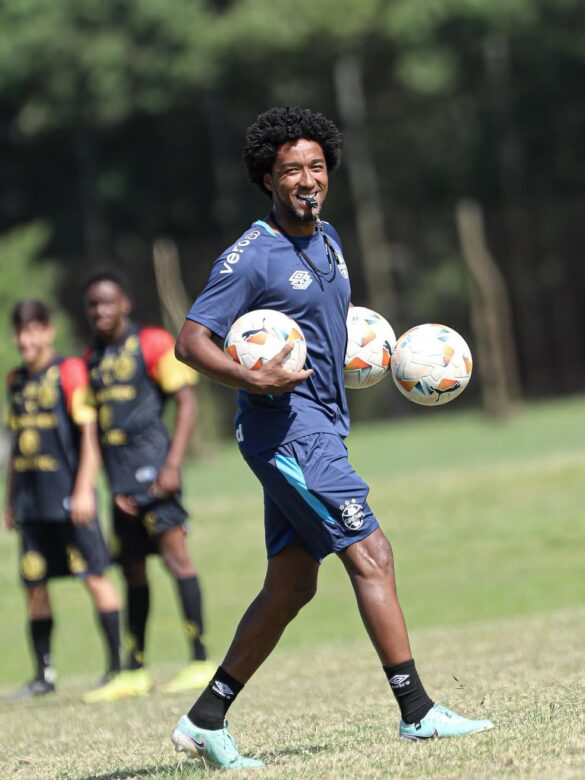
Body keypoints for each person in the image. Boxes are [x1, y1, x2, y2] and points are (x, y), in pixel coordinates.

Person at [170, 106, 494, 770]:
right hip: (286, 435)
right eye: (291, 170)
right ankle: (417, 711)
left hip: (322, 429)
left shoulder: (329, 239)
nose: (307, 180)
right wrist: (250, 377)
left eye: (316, 167)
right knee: (372, 553)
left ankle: (204, 720)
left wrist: (367, 353)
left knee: (292, 585)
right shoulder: (251, 256)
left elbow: (322, 325)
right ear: (268, 178)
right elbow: (190, 340)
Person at [81, 270, 213, 703]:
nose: (100, 310)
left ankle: (200, 660)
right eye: (93, 304)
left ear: (125, 304)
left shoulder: (153, 343)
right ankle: (135, 669)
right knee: (132, 571)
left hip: (156, 475)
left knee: (177, 561)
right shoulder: (93, 357)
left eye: (107, 302)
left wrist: (172, 464)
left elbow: (187, 402)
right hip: (120, 485)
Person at [4, 299, 122, 701]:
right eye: (20, 332)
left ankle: (116, 668)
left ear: (48, 331)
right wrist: (10, 500)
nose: (25, 340)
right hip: (31, 505)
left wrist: (84, 488)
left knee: (95, 577)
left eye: (32, 330)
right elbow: (17, 446)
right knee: (34, 585)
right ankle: (43, 674)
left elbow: (89, 435)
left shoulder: (69, 372)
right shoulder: (15, 380)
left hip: (70, 501)